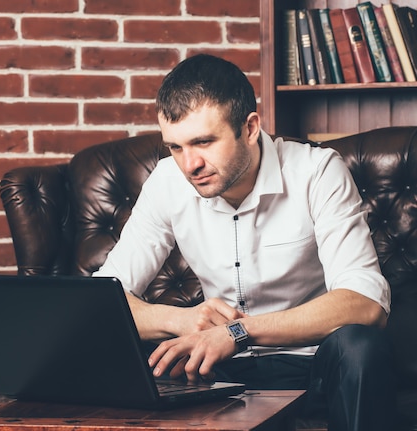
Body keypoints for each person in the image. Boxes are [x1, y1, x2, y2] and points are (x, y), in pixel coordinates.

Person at [94, 54, 396, 431]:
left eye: (203, 142)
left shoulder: (316, 172)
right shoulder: (167, 181)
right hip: (213, 371)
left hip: (312, 365)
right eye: (175, 147)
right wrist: (179, 320)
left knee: (361, 348)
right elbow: (100, 302)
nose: (190, 165)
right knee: (106, 347)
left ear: (250, 128)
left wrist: (237, 332)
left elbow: (366, 304)